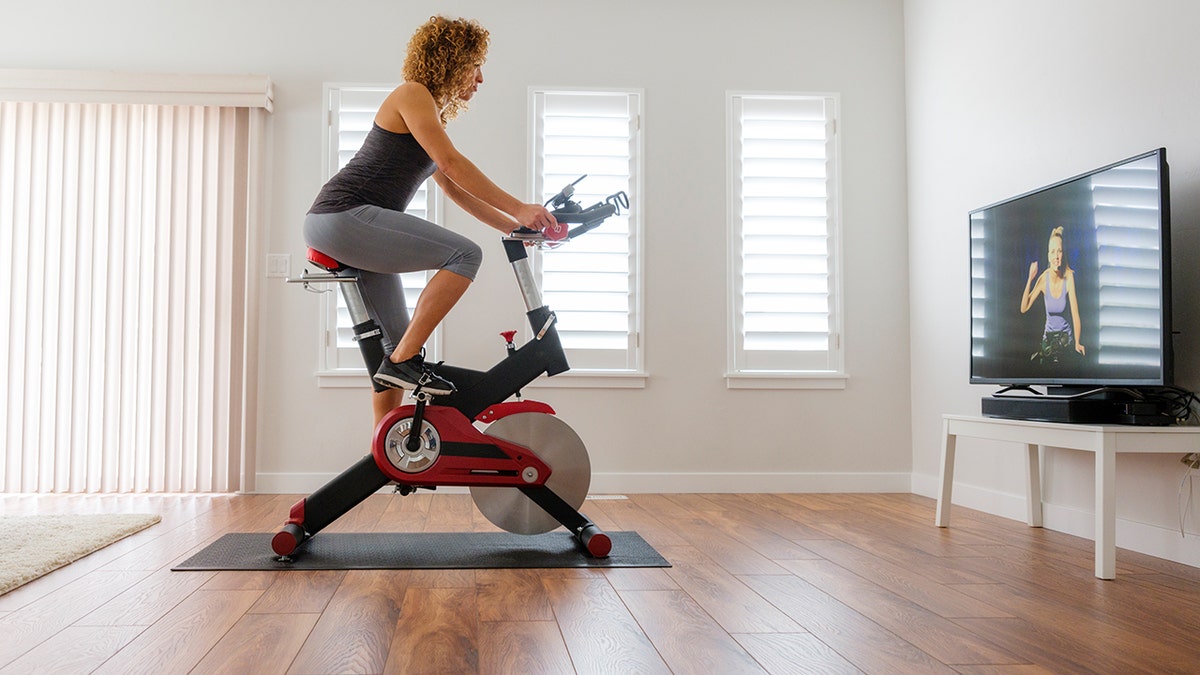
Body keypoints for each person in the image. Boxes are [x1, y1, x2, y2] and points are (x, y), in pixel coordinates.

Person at [304, 16, 557, 426]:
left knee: (394, 350)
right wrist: (519, 207)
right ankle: (404, 362)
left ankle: (383, 452)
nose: (480, 78)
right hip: (343, 215)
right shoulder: (412, 94)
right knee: (464, 255)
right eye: (476, 64)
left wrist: (512, 227)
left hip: (350, 225)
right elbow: (452, 164)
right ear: (451, 59)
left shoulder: (429, 112)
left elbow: (453, 188)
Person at [1020, 226, 1085, 363]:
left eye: (1060, 251)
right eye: (1053, 252)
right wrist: (1030, 279)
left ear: (1063, 254)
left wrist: (1077, 343)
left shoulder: (1069, 277)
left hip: (1065, 341)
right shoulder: (1044, 278)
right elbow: (1024, 308)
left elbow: (1075, 314)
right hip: (1048, 342)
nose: (1056, 256)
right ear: (1048, 256)